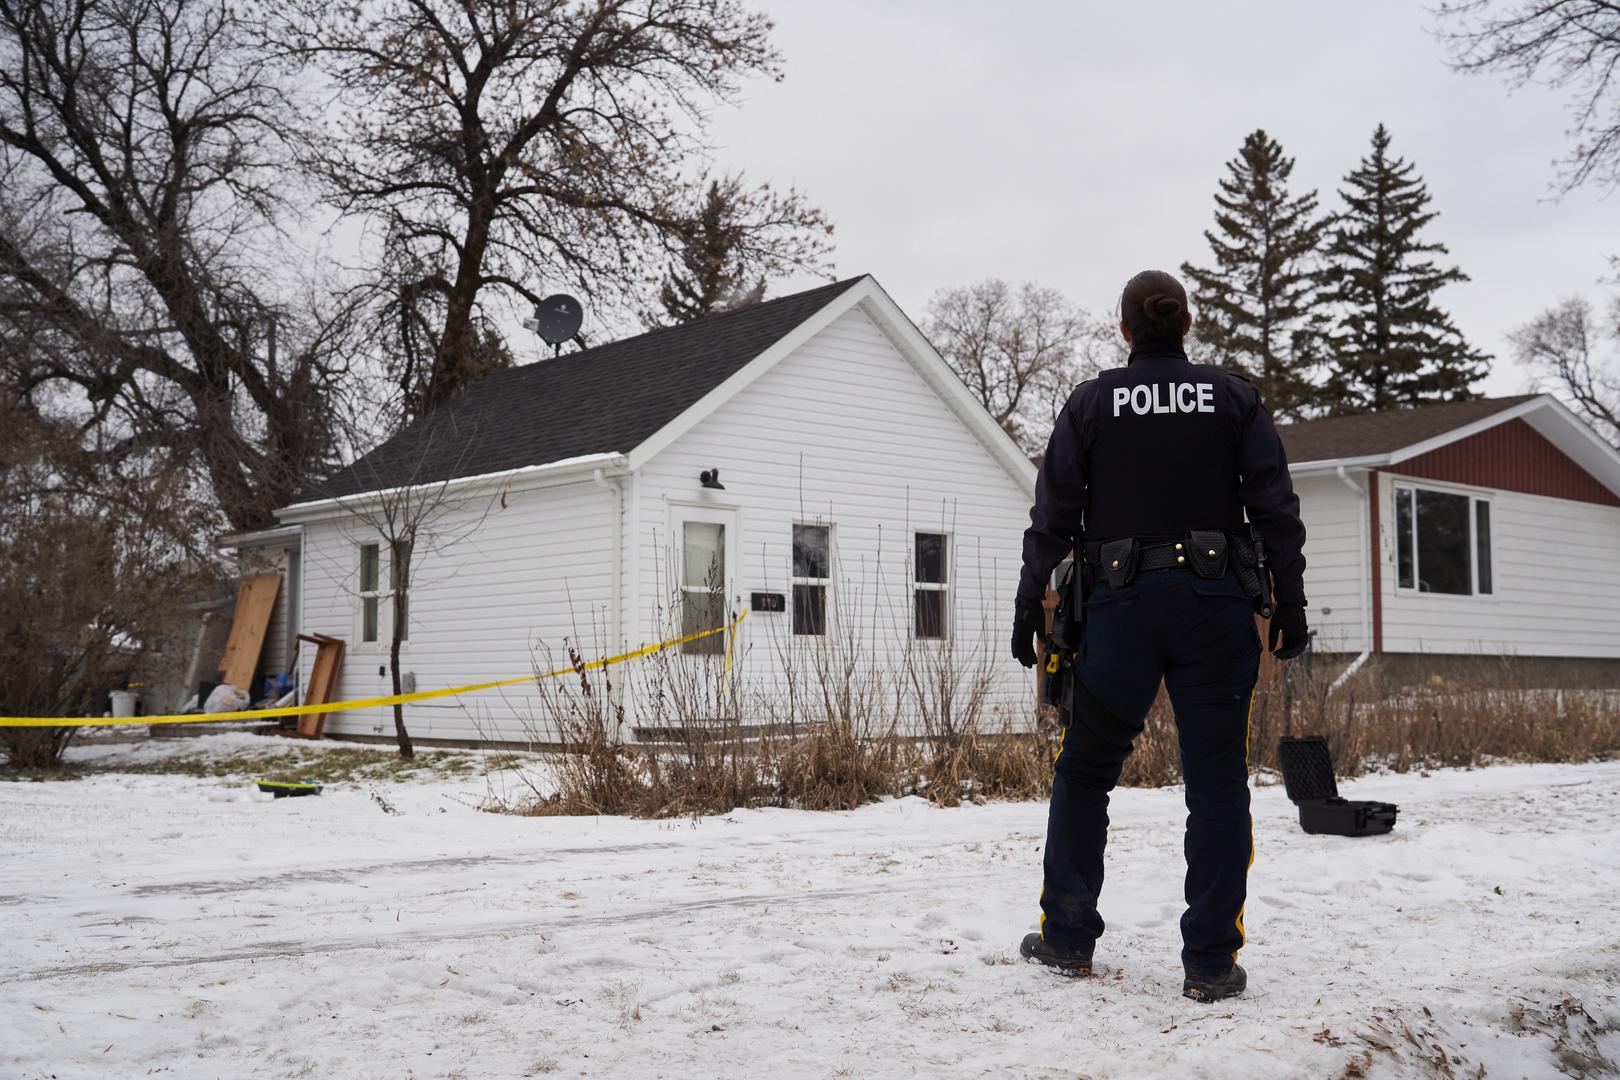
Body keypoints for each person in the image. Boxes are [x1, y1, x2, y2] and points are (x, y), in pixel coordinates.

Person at [1010, 269, 1309, 1002]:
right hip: (1214, 609)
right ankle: (1209, 963)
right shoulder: (1232, 398)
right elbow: (1276, 509)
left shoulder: (1092, 401)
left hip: (1120, 611)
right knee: (1216, 784)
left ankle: (1067, 938)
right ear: (1186, 325)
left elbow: (1052, 514)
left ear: (1124, 331)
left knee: (1084, 771)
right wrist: (1291, 601)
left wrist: (1029, 602)